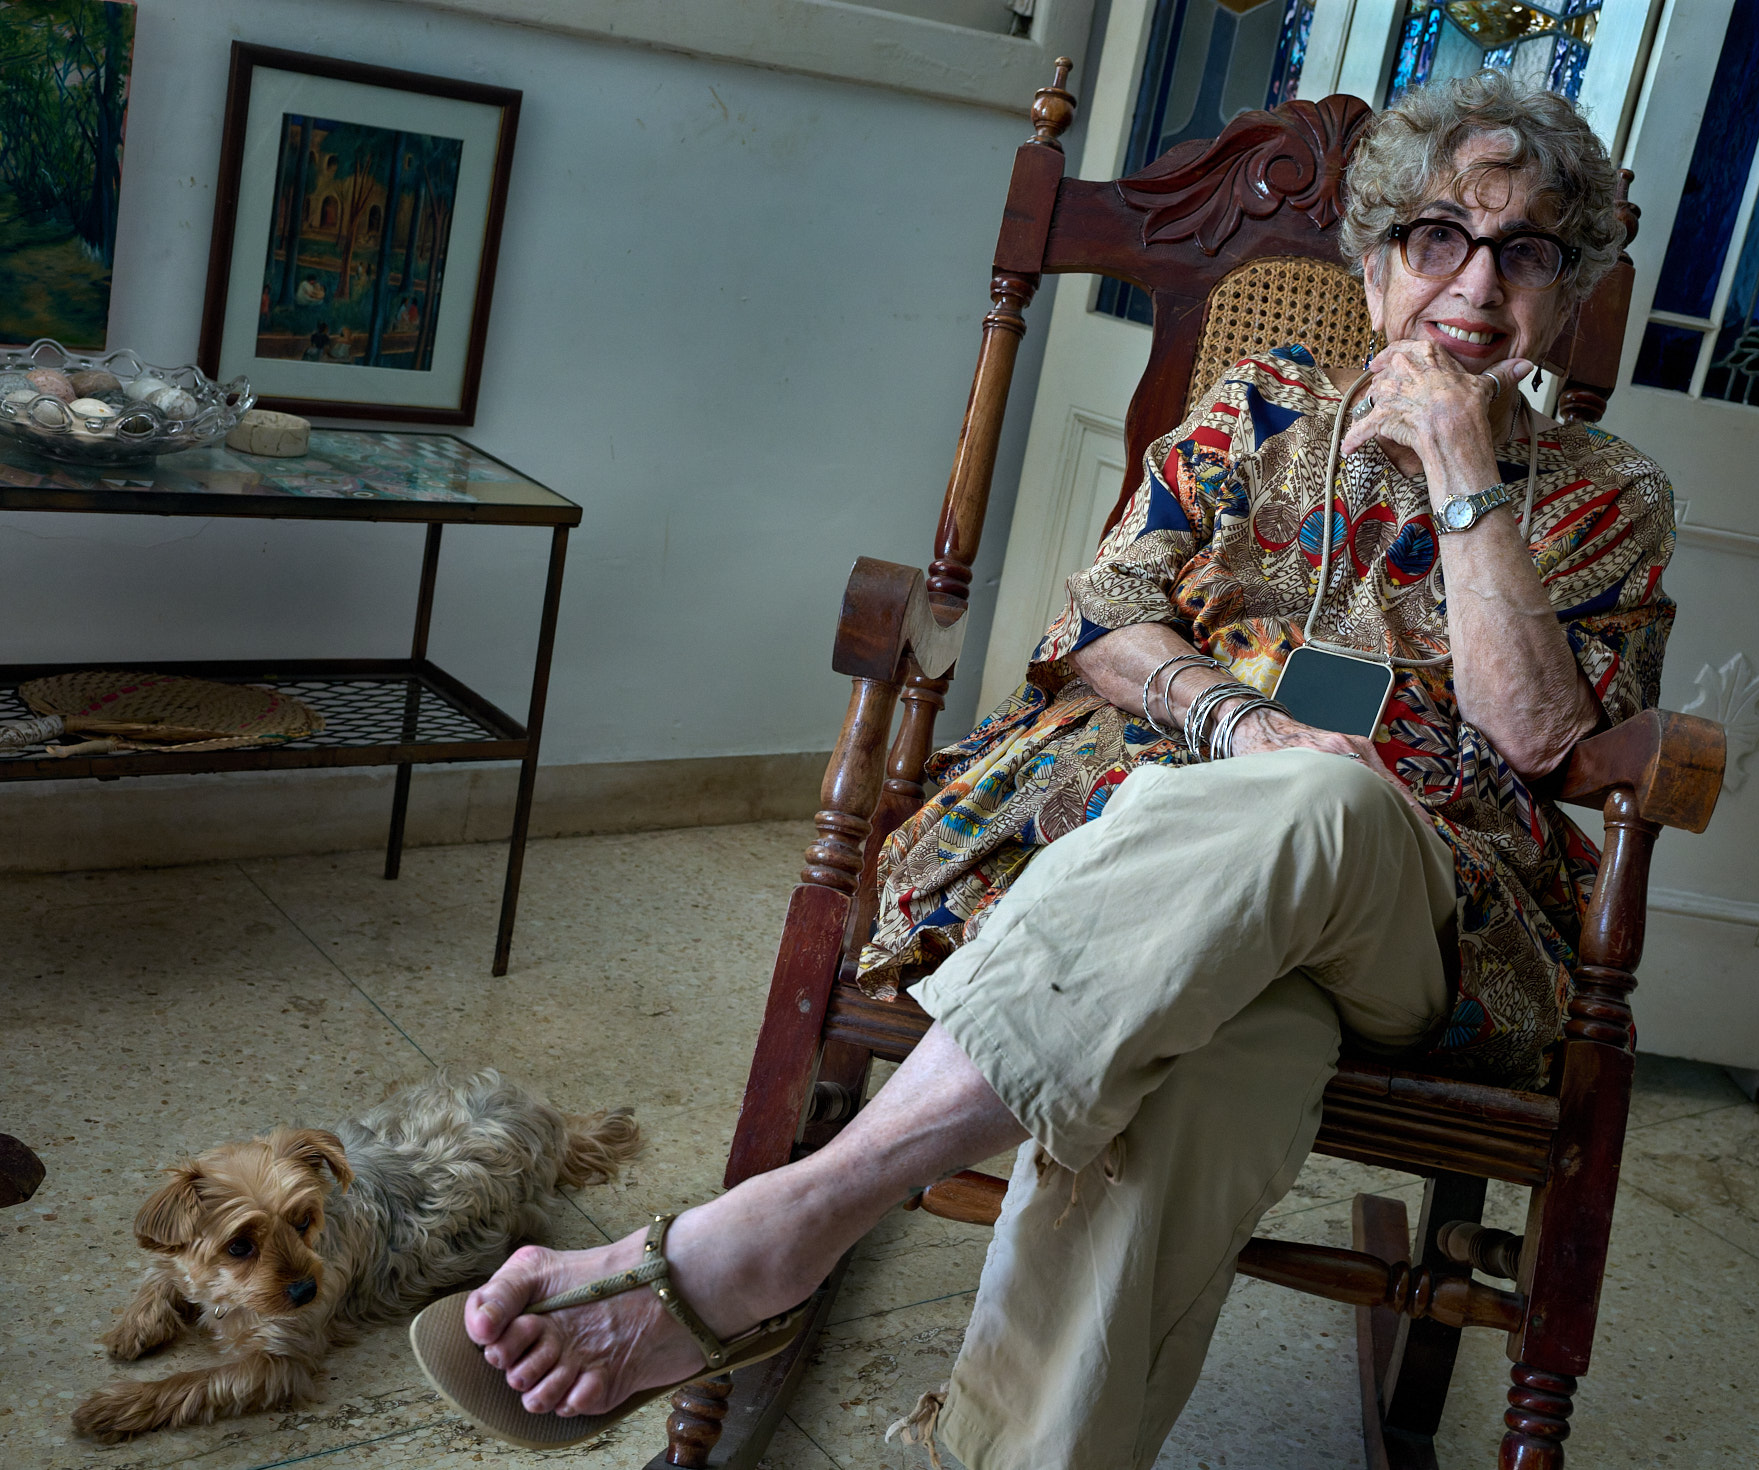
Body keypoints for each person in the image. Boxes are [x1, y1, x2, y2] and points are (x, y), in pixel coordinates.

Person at [435, 72, 1676, 1468]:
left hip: (1424, 903)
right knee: (1217, 1067)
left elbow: (1535, 735)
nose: (1476, 279)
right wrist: (1232, 722)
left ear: (1571, 294)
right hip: (1161, 852)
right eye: (1439, 235)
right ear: (1378, 259)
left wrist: (1460, 458)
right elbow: (1097, 614)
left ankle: (783, 1223)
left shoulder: (1603, 496)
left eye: (1528, 250)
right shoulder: (1263, 409)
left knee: (1329, 800)